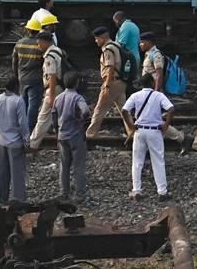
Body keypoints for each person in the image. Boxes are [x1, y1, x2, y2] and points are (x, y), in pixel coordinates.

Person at [121, 74, 176, 201]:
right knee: (158, 161)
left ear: (141, 84)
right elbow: (171, 109)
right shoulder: (159, 95)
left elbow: (124, 110)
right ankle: (162, 192)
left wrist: (130, 125)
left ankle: (136, 191)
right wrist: (166, 125)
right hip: (155, 131)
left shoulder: (135, 96)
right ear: (152, 83)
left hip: (139, 131)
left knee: (137, 161)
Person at [139, 33, 188, 150]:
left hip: (152, 92)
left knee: (152, 120)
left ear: (149, 42)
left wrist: (155, 93)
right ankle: (181, 138)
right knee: (152, 120)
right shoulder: (148, 54)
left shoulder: (156, 55)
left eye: (142, 42)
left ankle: (182, 138)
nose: (140, 45)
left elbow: (159, 75)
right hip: (148, 91)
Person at [86, 27, 130, 140]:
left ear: (102, 38)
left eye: (97, 39)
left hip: (112, 82)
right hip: (120, 82)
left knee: (100, 109)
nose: (96, 41)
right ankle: (132, 132)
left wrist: (107, 84)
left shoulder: (108, 50)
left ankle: (90, 135)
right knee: (124, 110)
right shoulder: (116, 45)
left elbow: (110, 68)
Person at [53, 72, 90, 203]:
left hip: (62, 136)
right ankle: (79, 195)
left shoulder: (58, 98)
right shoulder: (78, 98)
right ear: (76, 83)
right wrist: (80, 120)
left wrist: (57, 131)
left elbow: (54, 115)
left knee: (64, 165)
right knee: (78, 166)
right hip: (76, 135)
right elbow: (85, 111)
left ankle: (64, 192)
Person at [27, 30, 65, 150]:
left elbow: (52, 77)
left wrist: (51, 95)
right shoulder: (57, 50)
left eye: (39, 43)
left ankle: (32, 144)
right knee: (61, 118)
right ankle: (63, 143)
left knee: (43, 118)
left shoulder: (49, 56)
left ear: (45, 42)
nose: (38, 46)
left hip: (53, 89)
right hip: (60, 87)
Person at [12, 19, 45, 131]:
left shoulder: (19, 43)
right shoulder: (39, 44)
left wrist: (16, 75)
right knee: (33, 105)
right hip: (36, 78)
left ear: (27, 29)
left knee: (23, 103)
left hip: (22, 78)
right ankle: (29, 128)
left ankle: (21, 126)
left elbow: (14, 61)